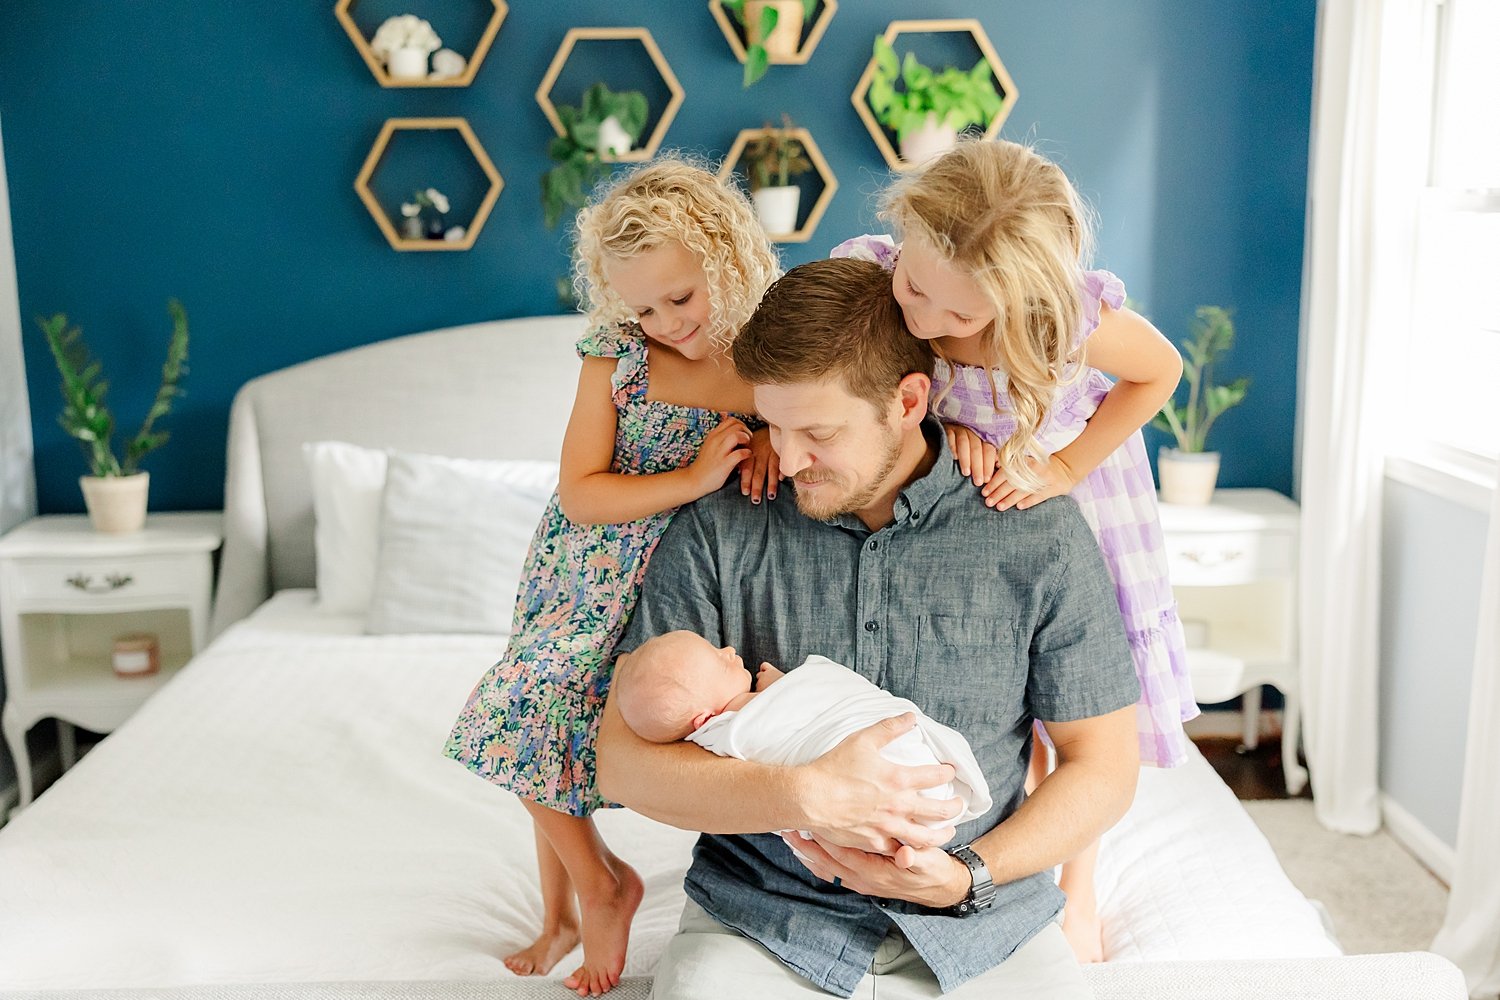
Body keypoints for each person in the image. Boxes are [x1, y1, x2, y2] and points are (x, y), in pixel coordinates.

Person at [596, 257, 1141, 999]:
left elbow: (1103, 766)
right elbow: (623, 765)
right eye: (773, 425)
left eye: (816, 431)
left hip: (986, 923)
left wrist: (963, 876)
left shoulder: (1035, 533)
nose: (786, 459)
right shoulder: (723, 524)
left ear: (908, 400)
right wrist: (807, 796)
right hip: (763, 924)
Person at [833, 138, 1194, 961]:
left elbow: (1160, 371)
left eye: (958, 318)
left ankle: (1080, 880)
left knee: (1075, 701)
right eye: (916, 290)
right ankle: (1006, 843)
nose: (924, 319)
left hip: (1066, 500)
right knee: (1001, 699)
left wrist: (1063, 464)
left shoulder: (1061, 319)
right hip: (971, 526)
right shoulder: (881, 275)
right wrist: (945, 423)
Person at [442, 158, 780, 998]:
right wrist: (693, 478)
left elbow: (811, 422)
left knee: (560, 730)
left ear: (727, 262)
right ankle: (588, 893)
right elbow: (581, 492)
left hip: (678, 584)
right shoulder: (617, 355)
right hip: (582, 572)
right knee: (529, 714)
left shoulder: (773, 353)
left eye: (681, 297)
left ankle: (582, 900)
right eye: (644, 306)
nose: (666, 321)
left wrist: (776, 437)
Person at [612, 630, 992, 830]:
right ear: (703, 720)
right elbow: (791, 707)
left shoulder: (722, 726)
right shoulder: (731, 728)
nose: (728, 650)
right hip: (887, 764)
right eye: (716, 659)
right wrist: (782, 684)